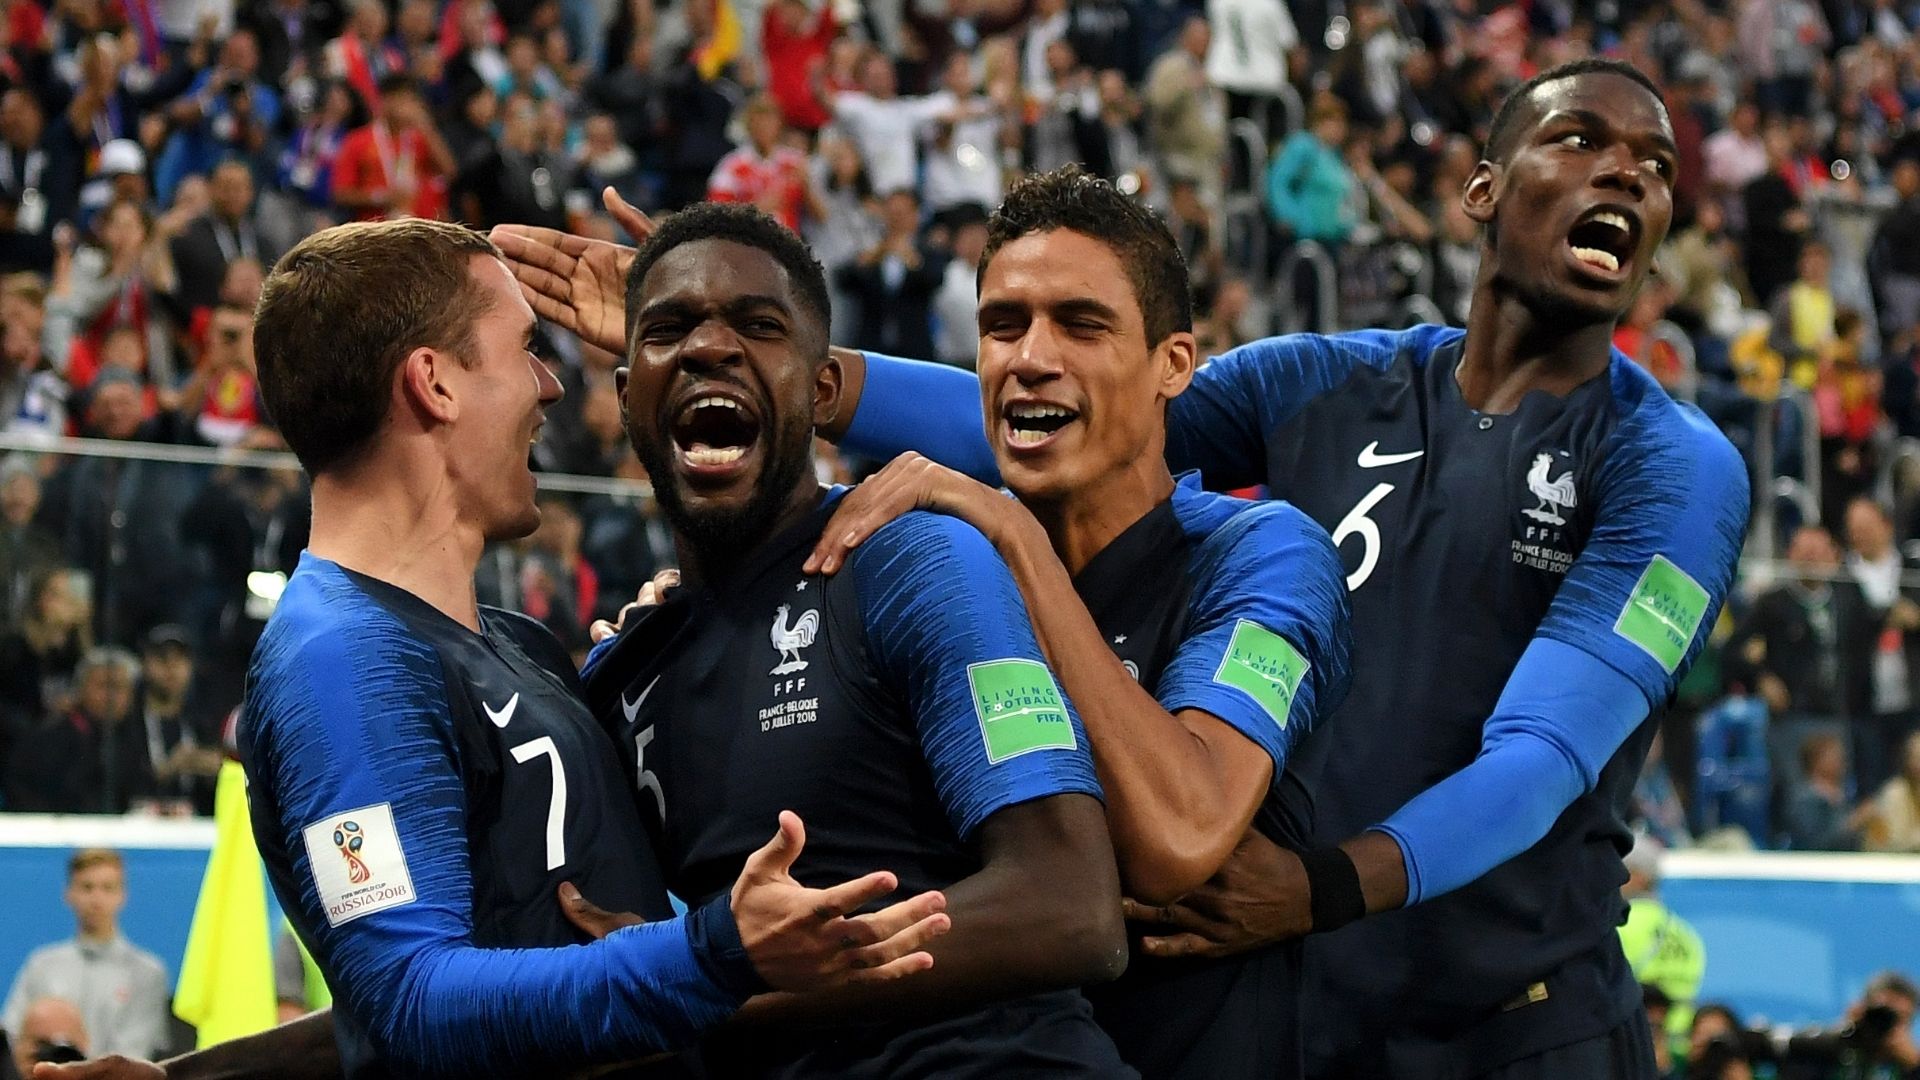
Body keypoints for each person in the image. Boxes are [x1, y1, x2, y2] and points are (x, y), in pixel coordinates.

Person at [733, 57, 1748, 1078]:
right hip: (1315, 1012)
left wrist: (1321, 888)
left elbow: (1543, 760)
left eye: (1655, 167)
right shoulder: (1332, 381)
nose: (1625, 175)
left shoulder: (1675, 467)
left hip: (1517, 1024)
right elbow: (1078, 415)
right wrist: (772, 373)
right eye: (1580, 141)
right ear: (1481, 190)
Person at [66, 217, 948, 1079]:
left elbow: (460, 975)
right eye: (525, 347)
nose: (553, 385)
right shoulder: (338, 664)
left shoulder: (517, 643)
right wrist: (716, 950)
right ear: (435, 384)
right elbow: (412, 1001)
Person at [800, 166, 1352, 1078]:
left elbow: (1182, 834)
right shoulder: (933, 569)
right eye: (1003, 326)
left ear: (1173, 363)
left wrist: (1018, 538)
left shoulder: (1263, 557)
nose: (1029, 356)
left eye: (1081, 324)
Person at [576, 201, 1131, 1076]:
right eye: (669, 328)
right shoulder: (624, 670)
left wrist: (706, 992)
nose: (711, 349)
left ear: (823, 390)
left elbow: (1071, 910)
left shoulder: (910, 559)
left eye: (760, 327)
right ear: (624, 397)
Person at [1, 850, 169, 1061]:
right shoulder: (41, 965)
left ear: (122, 895)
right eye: (87, 887)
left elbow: (133, 1054)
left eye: (108, 888)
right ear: (69, 894)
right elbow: (15, 1036)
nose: (97, 898)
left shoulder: (147, 972)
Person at [1783, 731, 1876, 850]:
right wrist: (1854, 821)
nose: (1842, 760)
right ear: (1816, 760)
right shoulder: (1804, 799)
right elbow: (1814, 843)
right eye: (1834, 755)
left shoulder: (1844, 795)